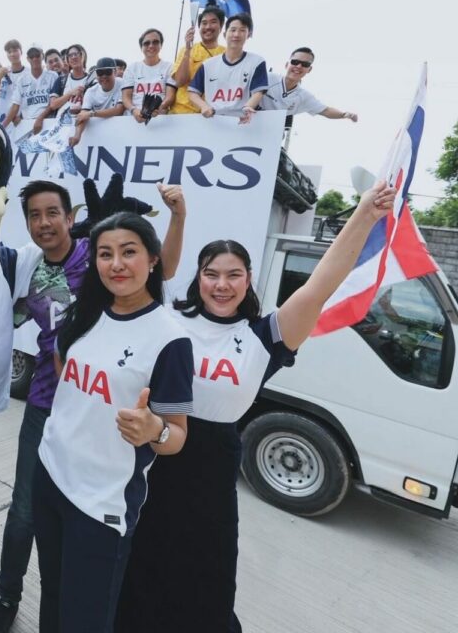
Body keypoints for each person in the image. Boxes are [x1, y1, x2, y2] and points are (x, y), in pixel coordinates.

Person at [116, 182, 397, 633]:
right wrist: (179, 216)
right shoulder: (171, 318)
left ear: (249, 279)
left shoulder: (265, 336)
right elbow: (150, 270)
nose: (222, 285)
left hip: (212, 468)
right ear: (198, 276)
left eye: (233, 274)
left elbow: (321, 285)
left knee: (206, 577)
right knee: (142, 564)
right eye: (211, 273)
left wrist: (364, 214)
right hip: (153, 456)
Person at [0, 180, 186, 633]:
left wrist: (155, 430)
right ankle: (7, 597)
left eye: (52, 212)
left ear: (70, 218)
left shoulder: (97, 261)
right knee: (24, 515)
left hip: (103, 471)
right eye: (34, 215)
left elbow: (159, 267)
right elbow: (58, 348)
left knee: (83, 602)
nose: (43, 222)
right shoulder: (30, 265)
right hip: (49, 413)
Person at [32, 211, 194, 633]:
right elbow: (63, 375)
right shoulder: (83, 315)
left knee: (84, 619)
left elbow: (176, 435)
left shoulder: (170, 338)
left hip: (102, 502)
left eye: (129, 252)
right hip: (50, 477)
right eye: (105, 254)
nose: (116, 264)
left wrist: (152, 430)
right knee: (51, 597)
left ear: (153, 259)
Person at [187, 12, 268, 123]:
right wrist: (203, 106)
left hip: (242, 121)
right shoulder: (208, 65)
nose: (236, 34)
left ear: (248, 34)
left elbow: (258, 92)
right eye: (233, 30)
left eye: (242, 30)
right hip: (213, 121)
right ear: (225, 34)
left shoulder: (257, 62)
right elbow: (192, 92)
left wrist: (248, 107)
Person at [260, 47, 359, 138]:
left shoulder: (304, 97)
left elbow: (326, 110)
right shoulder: (267, 78)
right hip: (248, 123)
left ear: (309, 69)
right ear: (287, 64)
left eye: (305, 64)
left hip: (272, 134)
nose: (298, 66)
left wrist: (344, 114)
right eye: (295, 62)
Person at [170, 0, 226, 114]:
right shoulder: (186, 49)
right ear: (199, 27)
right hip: (182, 113)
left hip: (211, 114)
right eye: (204, 23)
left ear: (221, 26)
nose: (208, 27)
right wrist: (188, 50)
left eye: (213, 22)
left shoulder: (226, 53)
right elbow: (180, 81)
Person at [2, 44, 58, 140]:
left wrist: (40, 118)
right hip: (27, 126)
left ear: (42, 56)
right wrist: (2, 127)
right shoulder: (22, 80)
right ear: (27, 59)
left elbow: (54, 103)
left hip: (48, 123)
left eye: (37, 55)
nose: (34, 58)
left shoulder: (53, 76)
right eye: (31, 56)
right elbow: (15, 106)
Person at [122, 28, 177, 122]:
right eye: (146, 43)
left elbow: (170, 96)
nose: (151, 46)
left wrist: (158, 108)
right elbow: (126, 97)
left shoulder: (170, 67)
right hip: (133, 120)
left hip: (160, 119)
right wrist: (134, 110)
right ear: (141, 47)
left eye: (155, 42)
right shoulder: (132, 68)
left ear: (161, 45)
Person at [68, 57, 124, 147]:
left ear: (115, 72)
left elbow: (119, 110)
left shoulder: (123, 84)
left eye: (108, 72)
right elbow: (83, 116)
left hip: (120, 133)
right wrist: (77, 135)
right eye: (100, 73)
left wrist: (91, 114)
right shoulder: (91, 92)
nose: (104, 76)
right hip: (99, 135)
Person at [0, 39, 29, 124]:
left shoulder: (28, 73)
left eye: (15, 51)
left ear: (21, 52)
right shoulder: (2, 72)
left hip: (18, 120)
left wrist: (22, 115)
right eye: (9, 52)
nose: (12, 54)